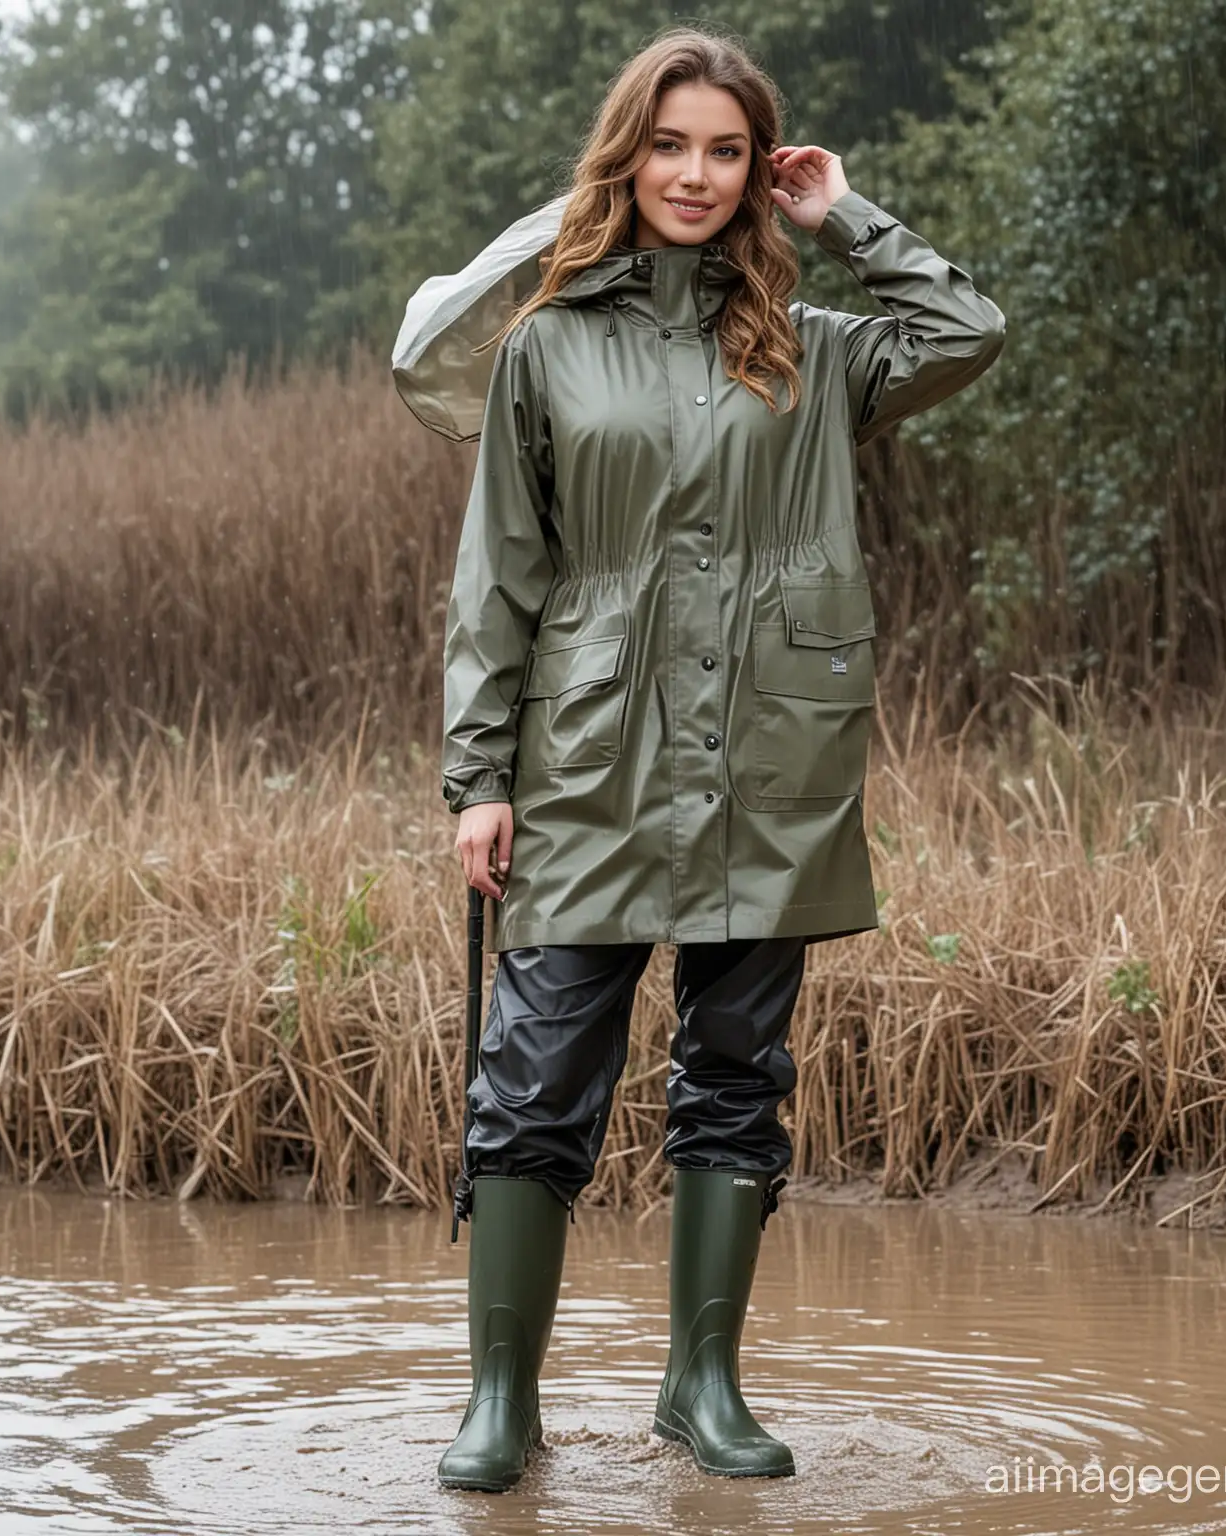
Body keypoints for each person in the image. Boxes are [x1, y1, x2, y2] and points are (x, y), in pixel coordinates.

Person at [399, 23, 1004, 1495]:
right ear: (630, 155)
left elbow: (969, 329)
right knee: (534, 1077)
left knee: (737, 1074)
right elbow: (499, 578)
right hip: (591, 758)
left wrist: (841, 214)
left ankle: (702, 1389)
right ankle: (501, 1405)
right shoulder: (547, 343)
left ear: (759, 168)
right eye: (667, 144)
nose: (694, 173)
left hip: (772, 762)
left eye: (724, 149)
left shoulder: (819, 348)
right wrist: (481, 776)